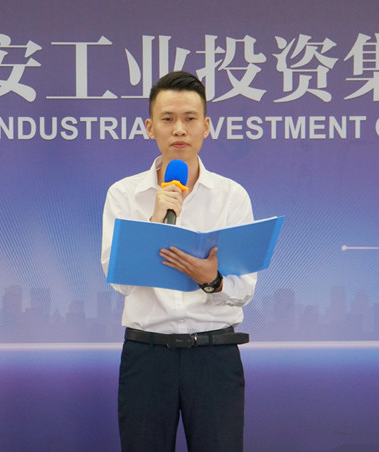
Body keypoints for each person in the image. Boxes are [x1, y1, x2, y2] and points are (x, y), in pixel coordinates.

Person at [101, 71, 256, 452]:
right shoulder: (124, 194)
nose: (179, 129)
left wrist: (211, 279)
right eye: (168, 119)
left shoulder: (231, 196)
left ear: (206, 126)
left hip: (214, 355)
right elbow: (118, 281)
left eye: (190, 118)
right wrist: (154, 223)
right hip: (148, 356)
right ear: (150, 127)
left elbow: (244, 289)